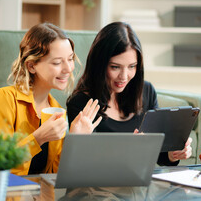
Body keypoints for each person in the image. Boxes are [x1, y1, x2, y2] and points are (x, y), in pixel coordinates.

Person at [0, 23, 101, 178]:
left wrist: (74, 141)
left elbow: (54, 174)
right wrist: (38, 138)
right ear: (31, 66)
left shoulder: (56, 109)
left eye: (70, 59)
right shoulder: (3, 100)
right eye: (57, 62)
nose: (68, 68)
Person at [66, 22, 192, 166]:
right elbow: (86, 164)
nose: (124, 76)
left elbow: (158, 155)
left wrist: (172, 154)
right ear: (100, 65)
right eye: (115, 67)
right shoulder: (81, 103)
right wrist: (129, 151)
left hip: (141, 183)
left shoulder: (147, 91)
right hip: (102, 185)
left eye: (132, 66)